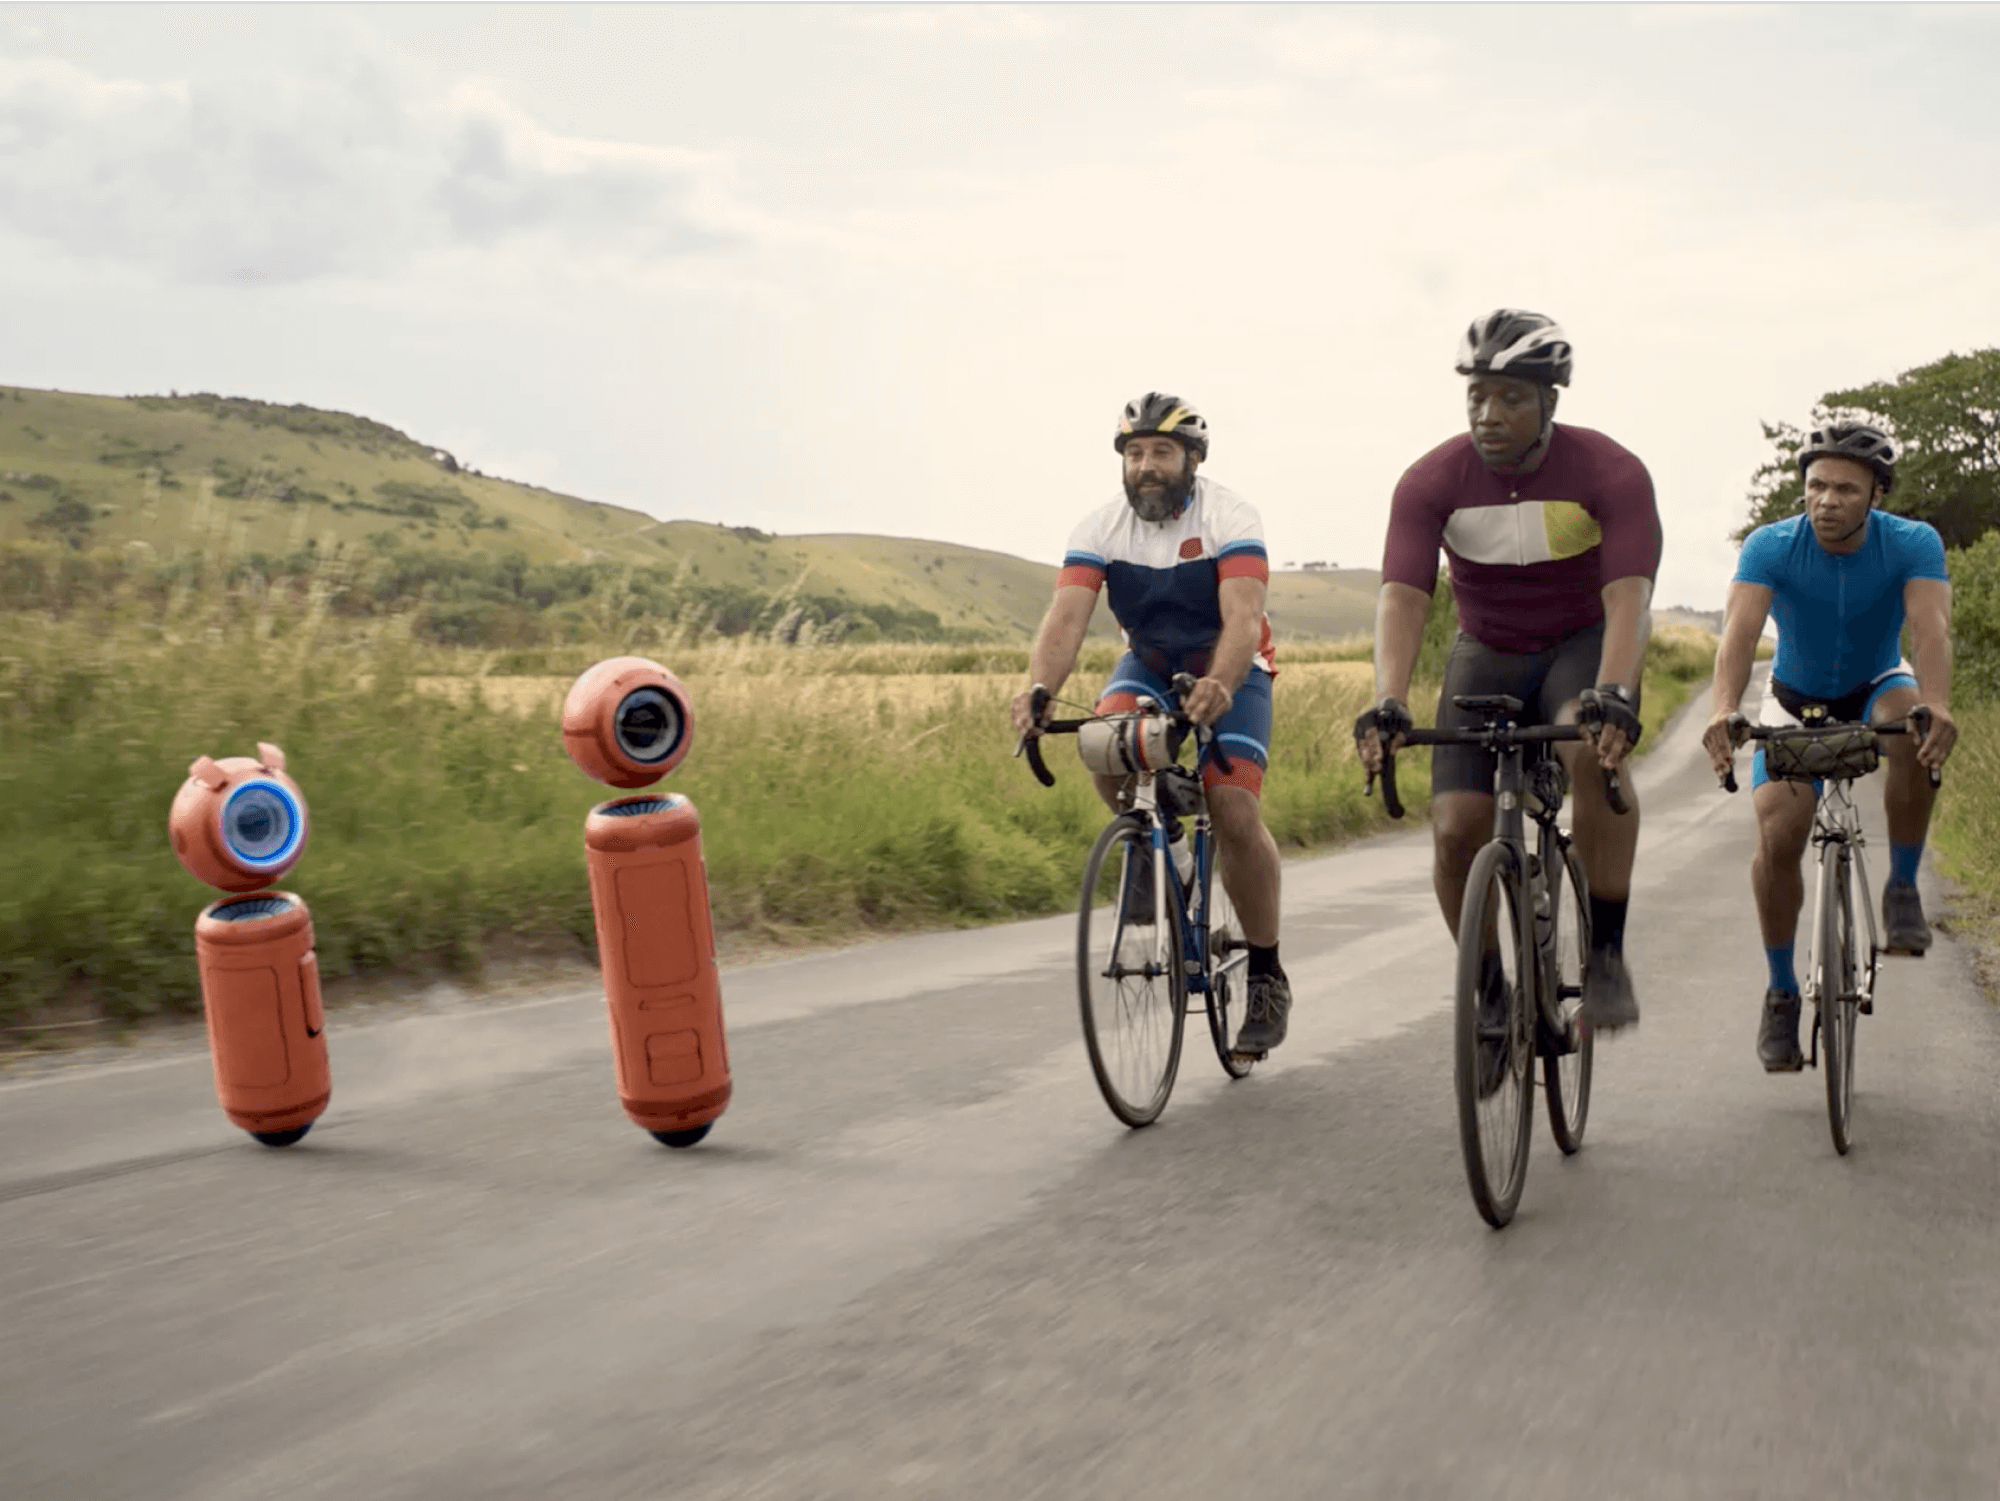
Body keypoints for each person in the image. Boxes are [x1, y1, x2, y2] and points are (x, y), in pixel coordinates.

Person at [1354, 309, 1662, 1034]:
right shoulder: (1431, 480)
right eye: (1477, 397)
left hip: (1581, 643)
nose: (1489, 414)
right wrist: (1388, 699)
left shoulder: (1609, 470)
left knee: (1588, 755)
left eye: (1512, 398)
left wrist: (1614, 691)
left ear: (1551, 403)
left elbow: (1628, 598)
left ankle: (1608, 956)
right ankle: (1491, 991)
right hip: (1487, 645)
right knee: (1457, 827)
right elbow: (1401, 596)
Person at [1010, 393, 1291, 1056]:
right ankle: (1165, 855)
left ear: (1192, 458)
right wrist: (1041, 689)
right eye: (1134, 454)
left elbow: (1244, 618)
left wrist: (1221, 682)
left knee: (1232, 808)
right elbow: (1067, 618)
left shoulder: (1230, 514)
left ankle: (1267, 971)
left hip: (1234, 664)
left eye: (1161, 452)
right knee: (1103, 746)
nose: (1146, 466)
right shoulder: (1101, 526)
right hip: (1151, 661)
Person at [1699, 423, 1956, 1071]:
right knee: (1780, 834)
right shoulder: (1772, 547)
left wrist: (1941, 703)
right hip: (1793, 699)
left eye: (1845, 487)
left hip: (1876, 683)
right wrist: (1724, 709)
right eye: (1816, 485)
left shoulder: (1911, 542)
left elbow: (1930, 627)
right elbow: (1738, 632)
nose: (1827, 500)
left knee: (1911, 719)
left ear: (1875, 493)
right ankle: (1782, 989)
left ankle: (1901, 888)